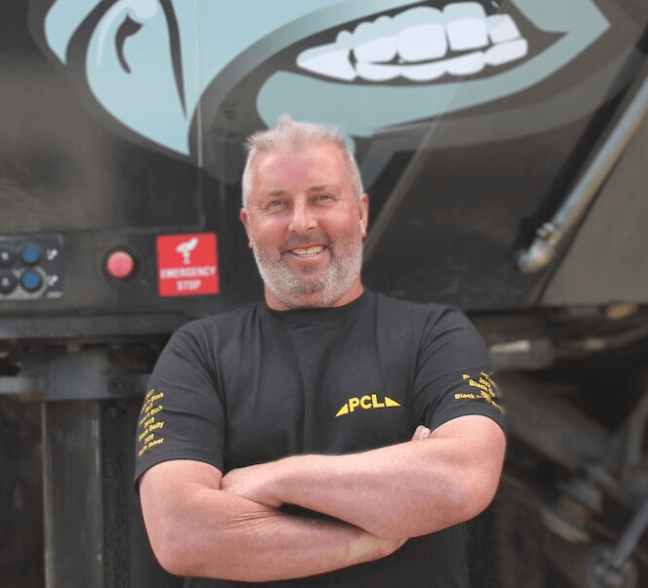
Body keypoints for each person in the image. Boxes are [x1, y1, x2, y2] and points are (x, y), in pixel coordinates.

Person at [134, 116, 506, 587]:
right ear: (249, 226)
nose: (302, 222)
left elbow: (461, 479)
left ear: (361, 212)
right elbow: (180, 533)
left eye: (322, 198)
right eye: (277, 204)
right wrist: (374, 538)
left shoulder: (433, 335)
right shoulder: (198, 352)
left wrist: (276, 479)